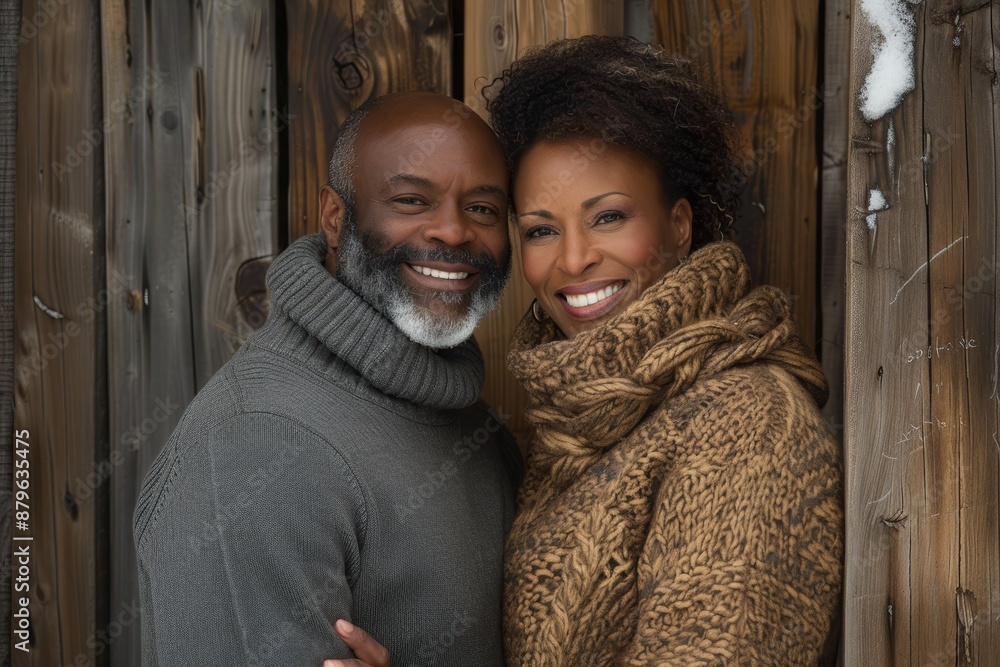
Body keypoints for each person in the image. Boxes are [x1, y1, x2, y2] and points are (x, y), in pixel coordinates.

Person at [330, 35, 843, 667]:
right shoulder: (580, 423)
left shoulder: (747, 424)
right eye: (543, 230)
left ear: (679, 226)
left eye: (608, 217)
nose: (573, 260)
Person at [133, 91, 521, 666]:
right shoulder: (255, 447)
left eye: (484, 209)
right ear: (336, 217)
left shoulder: (477, 427)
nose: (453, 232)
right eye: (412, 200)